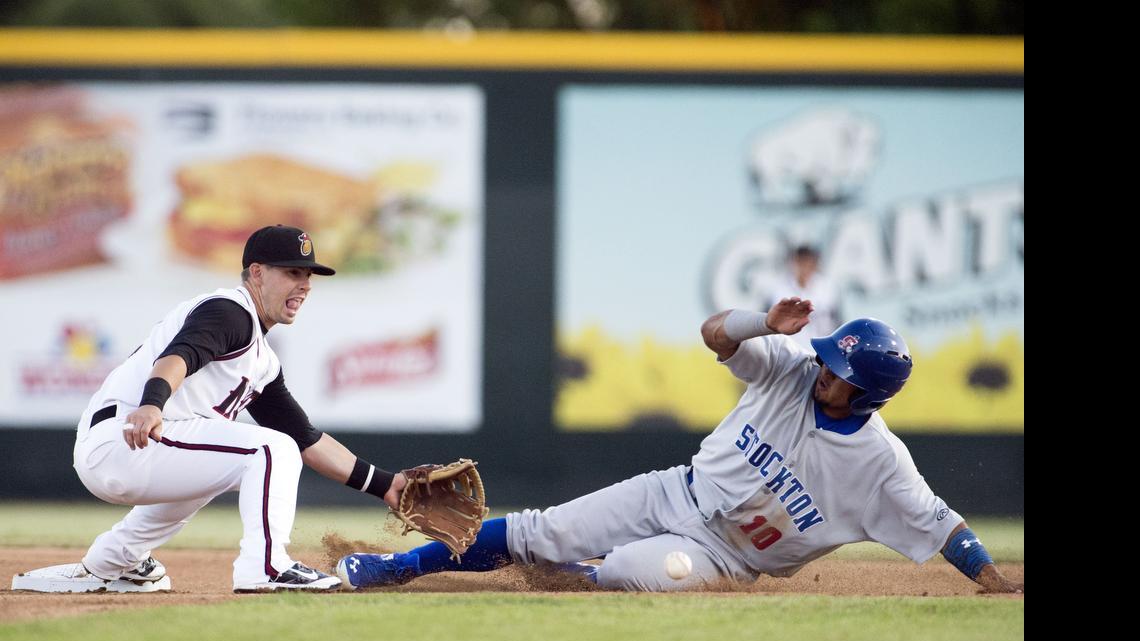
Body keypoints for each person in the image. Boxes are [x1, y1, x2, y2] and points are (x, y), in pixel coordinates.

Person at [336, 298, 1022, 594]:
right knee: (544, 528)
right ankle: (398, 567)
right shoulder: (789, 366)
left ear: (868, 393)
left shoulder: (881, 465)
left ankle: (569, 574)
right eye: (826, 360)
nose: (824, 373)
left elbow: (945, 526)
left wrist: (995, 584)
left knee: (632, 570)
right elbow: (715, 335)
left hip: (722, 553)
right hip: (675, 488)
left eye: (840, 375)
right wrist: (762, 320)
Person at [55, 225, 412, 593]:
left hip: (141, 445)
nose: (305, 284)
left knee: (238, 458)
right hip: (125, 438)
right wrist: (152, 403)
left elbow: (307, 439)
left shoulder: (262, 360)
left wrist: (387, 485)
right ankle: (267, 567)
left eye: (308, 275)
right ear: (256, 273)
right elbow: (179, 356)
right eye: (292, 272)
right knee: (270, 449)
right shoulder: (229, 311)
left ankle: (113, 562)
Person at [766, 245, 840, 353]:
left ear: (814, 264)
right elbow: (768, 322)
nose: (804, 267)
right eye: (800, 262)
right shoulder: (778, 289)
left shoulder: (827, 288)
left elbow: (837, 322)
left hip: (821, 352)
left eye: (808, 262)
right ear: (793, 263)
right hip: (788, 352)